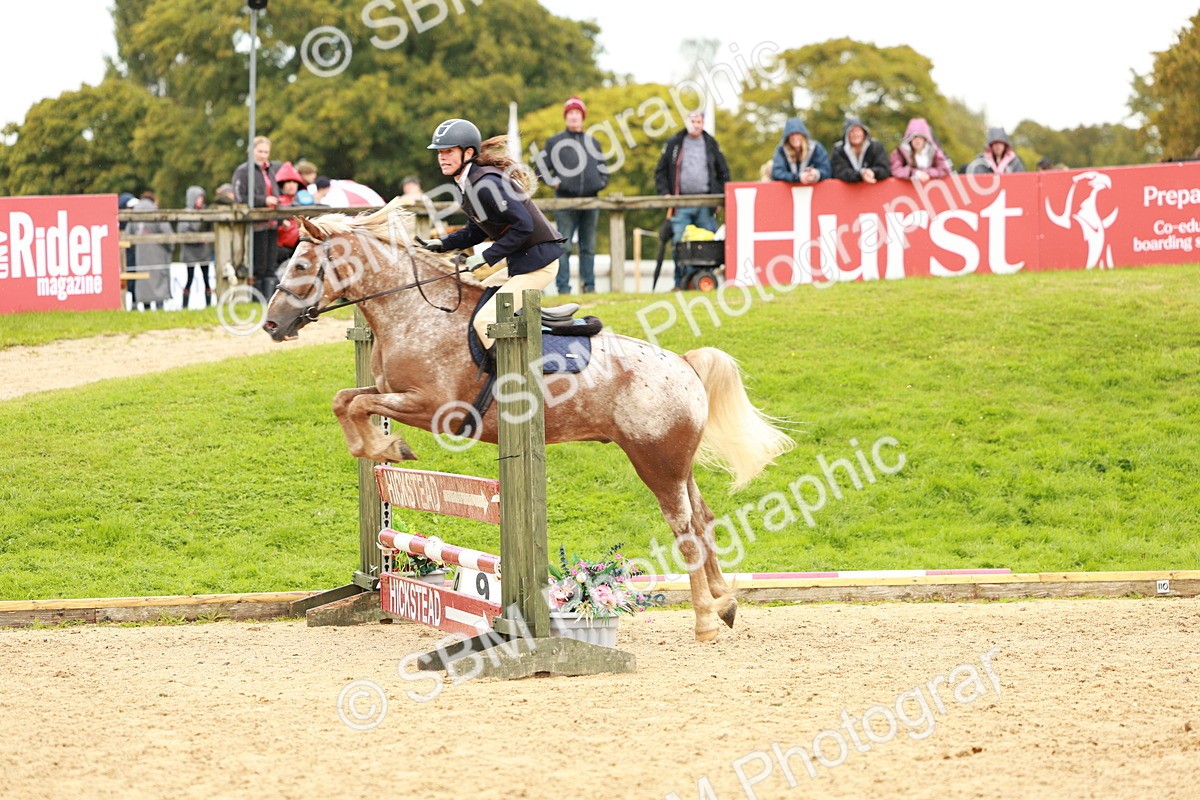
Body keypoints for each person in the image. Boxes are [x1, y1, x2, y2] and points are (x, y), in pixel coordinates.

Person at [419, 118, 562, 360]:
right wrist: (443, 243)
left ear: (468, 152)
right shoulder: (470, 183)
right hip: (522, 265)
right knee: (474, 298)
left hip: (539, 266)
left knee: (485, 320)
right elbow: (476, 230)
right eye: (440, 152)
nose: (442, 157)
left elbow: (524, 226)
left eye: (449, 151)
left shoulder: (485, 184)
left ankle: (514, 376)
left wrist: (486, 257)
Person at [538, 95, 609, 294]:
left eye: (577, 113)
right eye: (570, 113)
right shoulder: (554, 142)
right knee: (565, 247)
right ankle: (563, 288)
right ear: (566, 117)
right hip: (565, 202)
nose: (574, 117)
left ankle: (589, 286)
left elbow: (604, 169)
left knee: (588, 247)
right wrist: (553, 181)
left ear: (583, 117)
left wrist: (601, 182)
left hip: (590, 201)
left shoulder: (593, 142)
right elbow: (541, 167)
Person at [654, 109, 731, 289]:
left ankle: (704, 279)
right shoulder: (674, 143)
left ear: (703, 124)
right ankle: (680, 282)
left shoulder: (711, 143)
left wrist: (718, 196)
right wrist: (666, 194)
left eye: (699, 122)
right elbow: (661, 171)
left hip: (706, 204)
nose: (696, 125)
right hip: (680, 204)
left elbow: (723, 172)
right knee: (679, 243)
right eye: (692, 121)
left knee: (707, 243)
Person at [231, 135, 280, 298]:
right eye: (260, 151)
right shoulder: (243, 171)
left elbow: (276, 193)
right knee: (258, 265)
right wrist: (263, 200)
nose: (263, 155)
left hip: (272, 223)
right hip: (256, 224)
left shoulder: (270, 171)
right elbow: (240, 196)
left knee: (270, 265)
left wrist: (281, 216)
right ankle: (257, 300)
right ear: (252, 151)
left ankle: (269, 300)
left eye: (266, 152)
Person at [129, 192, 173, 311]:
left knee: (144, 283)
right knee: (158, 283)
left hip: (140, 256)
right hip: (158, 255)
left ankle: (146, 309)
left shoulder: (133, 213)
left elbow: (128, 234)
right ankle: (160, 309)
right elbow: (168, 235)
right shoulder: (155, 211)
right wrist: (170, 249)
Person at [177, 185, 213, 308]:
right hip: (190, 252)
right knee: (190, 278)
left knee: (206, 278)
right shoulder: (186, 213)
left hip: (203, 251)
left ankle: (209, 305)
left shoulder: (206, 212)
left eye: (202, 197)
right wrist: (198, 239)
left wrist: (206, 237)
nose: (201, 200)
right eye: (199, 197)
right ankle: (185, 306)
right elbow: (183, 232)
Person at [889, 118, 953, 183]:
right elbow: (895, 169)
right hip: (904, 190)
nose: (917, 140)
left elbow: (945, 169)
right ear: (909, 139)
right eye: (914, 137)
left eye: (920, 137)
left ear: (925, 139)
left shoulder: (934, 152)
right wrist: (915, 173)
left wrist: (926, 173)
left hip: (928, 190)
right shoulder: (900, 153)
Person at [770, 117, 831, 185]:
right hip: (788, 191)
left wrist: (816, 174)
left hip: (814, 190)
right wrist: (797, 177)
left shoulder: (816, 148)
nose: (795, 137)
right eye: (792, 134)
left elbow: (826, 169)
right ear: (787, 137)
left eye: (797, 134)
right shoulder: (781, 150)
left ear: (803, 135)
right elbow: (777, 173)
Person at [831, 116, 892, 183]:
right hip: (847, 191)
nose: (855, 134)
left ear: (864, 132)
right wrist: (860, 175)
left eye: (858, 130)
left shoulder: (876, 147)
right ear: (847, 134)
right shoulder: (839, 150)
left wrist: (873, 172)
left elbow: (885, 169)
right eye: (852, 131)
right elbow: (839, 173)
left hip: (874, 189)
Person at [273, 161, 306, 267]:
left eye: (294, 182)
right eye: (288, 182)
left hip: (298, 246)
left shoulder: (303, 201)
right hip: (281, 248)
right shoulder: (278, 202)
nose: (292, 185)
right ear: (282, 185)